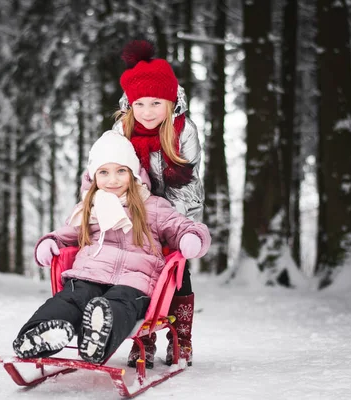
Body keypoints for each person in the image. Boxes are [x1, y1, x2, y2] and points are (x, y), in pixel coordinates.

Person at [13, 131, 210, 365]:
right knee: (72, 299)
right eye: (104, 172)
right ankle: (40, 333)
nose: (112, 180)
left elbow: (180, 226)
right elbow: (66, 235)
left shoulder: (153, 206)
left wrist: (191, 236)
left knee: (119, 303)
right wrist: (50, 242)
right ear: (94, 176)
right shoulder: (89, 207)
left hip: (135, 281)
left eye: (120, 171)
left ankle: (98, 337)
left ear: (133, 173)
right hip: (89, 274)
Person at [114, 39, 205, 368]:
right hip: (135, 215)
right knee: (138, 272)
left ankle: (181, 337)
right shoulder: (120, 131)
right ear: (130, 105)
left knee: (177, 271)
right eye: (140, 104)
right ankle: (144, 338)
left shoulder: (184, 131)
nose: (148, 112)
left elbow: (188, 185)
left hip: (177, 212)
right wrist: (137, 222)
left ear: (170, 102)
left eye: (156, 103)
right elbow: (112, 180)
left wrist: (171, 229)